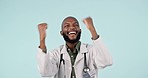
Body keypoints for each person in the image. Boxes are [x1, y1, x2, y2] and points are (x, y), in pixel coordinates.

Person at [37, 16, 113, 78]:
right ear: (61, 33)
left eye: (75, 25)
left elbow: (106, 61)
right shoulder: (56, 54)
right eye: (67, 26)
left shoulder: (90, 51)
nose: (72, 27)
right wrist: (42, 39)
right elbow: (45, 72)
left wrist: (92, 29)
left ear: (80, 31)